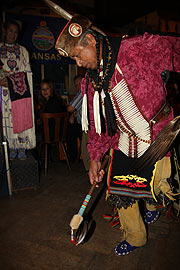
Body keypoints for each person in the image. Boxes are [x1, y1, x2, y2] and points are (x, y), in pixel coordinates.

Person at [46, 1, 180, 256]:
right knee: (119, 190)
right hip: (124, 140)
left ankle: (153, 203)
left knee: (159, 187)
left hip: (157, 135)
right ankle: (136, 236)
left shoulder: (136, 48)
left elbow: (176, 50)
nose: (78, 63)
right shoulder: (90, 82)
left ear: (91, 42)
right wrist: (96, 158)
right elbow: (97, 126)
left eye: (77, 55)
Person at [0, 19, 36, 159]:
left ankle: (21, 146)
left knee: (18, 117)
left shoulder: (23, 51)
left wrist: (11, 81)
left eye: (16, 32)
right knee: (6, 119)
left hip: (19, 91)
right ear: (5, 31)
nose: (13, 34)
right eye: (10, 31)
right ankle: (9, 146)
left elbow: (27, 73)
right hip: (2, 92)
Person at [67, 74, 90, 169]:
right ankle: (72, 156)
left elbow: (70, 108)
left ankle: (71, 157)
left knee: (69, 131)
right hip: (84, 125)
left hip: (88, 127)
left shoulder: (83, 91)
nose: (78, 86)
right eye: (76, 85)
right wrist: (74, 114)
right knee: (70, 129)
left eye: (80, 83)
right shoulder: (83, 92)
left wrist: (72, 113)